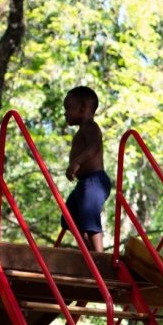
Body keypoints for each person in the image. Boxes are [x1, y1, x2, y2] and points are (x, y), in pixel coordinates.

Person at [61, 85, 110, 253]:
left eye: (68, 108)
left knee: (89, 217)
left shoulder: (90, 126)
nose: (65, 112)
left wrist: (77, 162)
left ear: (83, 108)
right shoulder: (82, 130)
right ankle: (90, 254)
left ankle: (99, 257)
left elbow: (94, 146)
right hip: (84, 183)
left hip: (94, 180)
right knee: (70, 216)